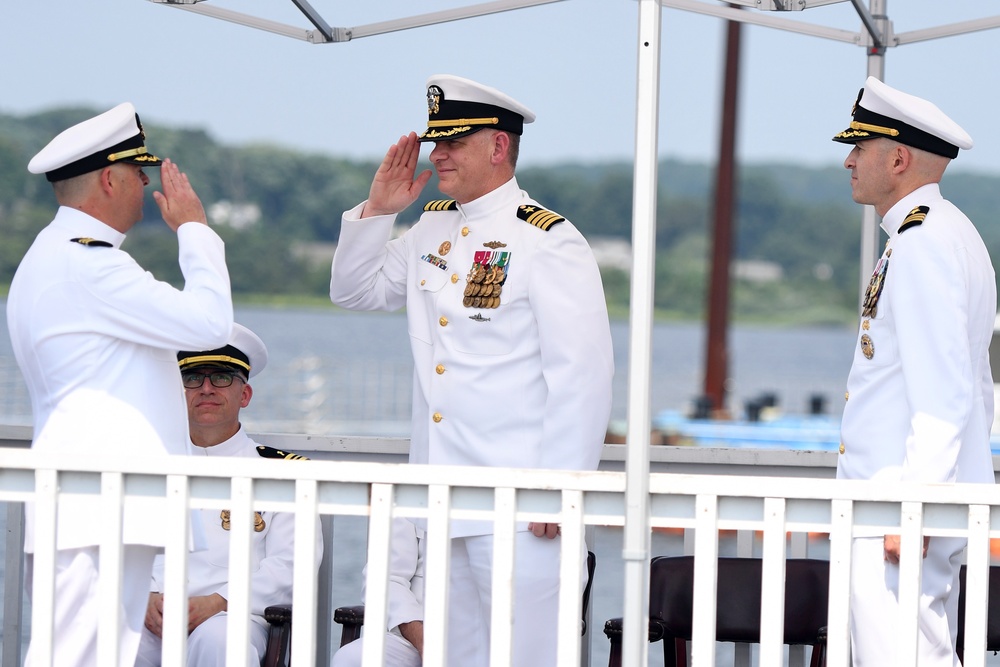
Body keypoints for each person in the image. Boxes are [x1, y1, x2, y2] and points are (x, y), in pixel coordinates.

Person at [329, 74, 614, 666]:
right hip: (442, 499)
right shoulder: (431, 226)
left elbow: (581, 376)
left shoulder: (548, 241)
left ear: (498, 147)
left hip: (521, 508)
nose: (437, 155)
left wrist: (558, 490)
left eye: (453, 142)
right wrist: (379, 210)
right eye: (437, 141)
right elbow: (355, 292)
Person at [7, 102, 233, 667]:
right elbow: (210, 326)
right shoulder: (90, 266)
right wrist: (197, 233)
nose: (145, 187)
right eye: (139, 174)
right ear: (109, 179)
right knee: (82, 656)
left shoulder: (57, 256)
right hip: (97, 503)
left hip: (95, 500)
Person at [833, 76, 996, 665]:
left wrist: (914, 506)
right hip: (906, 502)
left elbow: (944, 393)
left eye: (860, 148)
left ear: (897, 158)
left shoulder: (922, 241)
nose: (849, 161)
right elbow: (973, 385)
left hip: (900, 503)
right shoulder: (945, 232)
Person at [133, 323, 323, 666]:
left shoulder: (283, 473)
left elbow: (292, 564)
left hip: (234, 614)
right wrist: (141, 595)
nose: (205, 389)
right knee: (109, 636)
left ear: (244, 395)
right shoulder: (148, 464)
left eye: (220, 377)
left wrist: (219, 601)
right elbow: (121, 545)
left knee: (221, 640)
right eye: (192, 378)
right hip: (152, 612)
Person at [331, 518, 425, 667]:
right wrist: (421, 639)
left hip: (472, 637)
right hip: (415, 635)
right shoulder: (409, 498)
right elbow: (386, 578)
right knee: (350, 659)